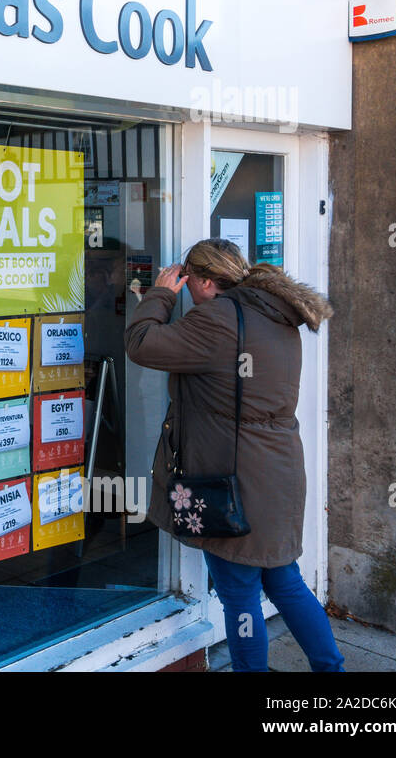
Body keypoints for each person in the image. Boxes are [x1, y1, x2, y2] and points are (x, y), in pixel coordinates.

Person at [124, 238, 343, 672]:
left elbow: (141, 343)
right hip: (279, 474)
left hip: (233, 481)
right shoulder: (274, 313)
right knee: (286, 582)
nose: (186, 290)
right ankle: (331, 668)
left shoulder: (219, 320)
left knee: (239, 595)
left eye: (188, 280)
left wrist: (160, 295)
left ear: (204, 281)